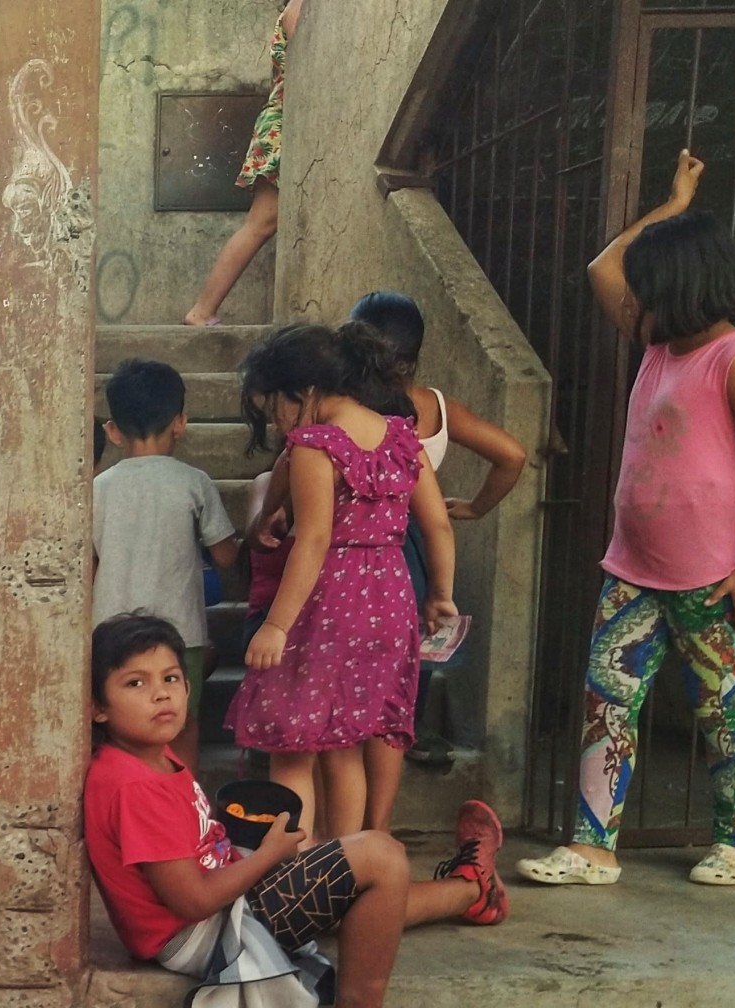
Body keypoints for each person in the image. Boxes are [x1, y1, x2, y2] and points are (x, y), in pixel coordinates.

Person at [85, 614, 503, 1008]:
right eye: (135, 683)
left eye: (171, 678)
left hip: (224, 902)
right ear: (99, 706)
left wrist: (259, 853)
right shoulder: (132, 786)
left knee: (367, 898)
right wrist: (270, 855)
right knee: (381, 855)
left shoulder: (154, 757)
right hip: (203, 931)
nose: (161, 693)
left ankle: (473, 889)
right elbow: (191, 901)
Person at [518, 150, 735, 888]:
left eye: (649, 290)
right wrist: (675, 201)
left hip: (712, 576)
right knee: (607, 697)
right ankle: (594, 846)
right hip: (634, 566)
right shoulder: (657, 347)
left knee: (722, 710)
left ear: (679, 288)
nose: (634, 301)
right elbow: (603, 265)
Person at [226, 323, 462, 846]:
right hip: (390, 595)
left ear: (303, 392)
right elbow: (439, 525)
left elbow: (312, 540)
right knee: (347, 744)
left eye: (275, 410)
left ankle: (297, 868)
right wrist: (440, 594)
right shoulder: (402, 436)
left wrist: (275, 625)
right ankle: (345, 867)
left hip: (328, 600)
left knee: (292, 745)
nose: (278, 424)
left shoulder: (317, 444)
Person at [350, 290, 528, 765]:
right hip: (421, 540)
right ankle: (406, 728)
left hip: (358, 544)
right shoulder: (435, 407)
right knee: (413, 644)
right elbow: (512, 455)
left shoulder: (346, 407)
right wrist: (474, 507)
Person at [94, 358, 239, 776]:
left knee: (118, 726)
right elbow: (227, 554)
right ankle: (183, 804)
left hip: (109, 631)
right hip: (180, 633)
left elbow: (87, 565)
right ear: (181, 422)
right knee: (180, 723)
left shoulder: (96, 489)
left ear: (113, 430)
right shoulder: (194, 483)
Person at [183, 0, 304, 326]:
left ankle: (202, 310)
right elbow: (310, 66)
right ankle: (202, 311)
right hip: (285, 126)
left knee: (261, 223)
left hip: (287, 124)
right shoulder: (302, 8)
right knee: (261, 223)